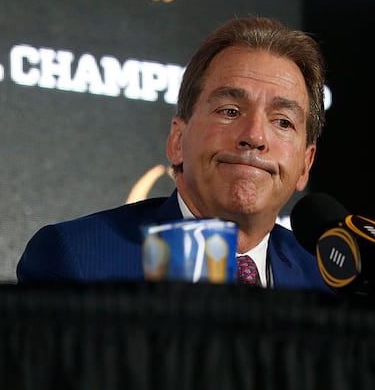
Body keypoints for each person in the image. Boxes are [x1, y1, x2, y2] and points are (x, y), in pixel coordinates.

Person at [16, 16, 332, 293]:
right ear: (178, 140)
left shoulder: (330, 283)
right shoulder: (78, 260)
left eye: (282, 122)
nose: (254, 136)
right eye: (230, 111)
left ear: (306, 164)